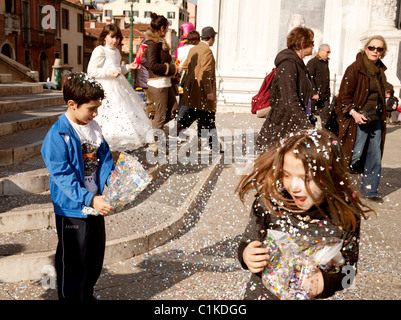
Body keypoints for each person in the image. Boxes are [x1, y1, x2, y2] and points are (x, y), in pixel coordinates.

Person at [236, 129, 374, 300]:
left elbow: (349, 273)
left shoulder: (346, 217)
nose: (294, 187)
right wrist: (246, 255)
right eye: (287, 175)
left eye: (306, 178)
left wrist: (326, 282)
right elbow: (247, 242)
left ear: (330, 175)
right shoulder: (270, 204)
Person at [41, 73, 115, 300]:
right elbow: (62, 176)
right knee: (72, 260)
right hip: (72, 209)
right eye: (91, 109)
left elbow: (106, 159)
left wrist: (112, 182)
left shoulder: (94, 128)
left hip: (95, 203)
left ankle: (86, 294)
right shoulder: (57, 135)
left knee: (94, 257)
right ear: (72, 105)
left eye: (98, 109)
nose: (95, 114)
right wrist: (89, 199)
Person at [335, 35, 388, 203]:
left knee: (375, 155)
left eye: (379, 49)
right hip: (359, 118)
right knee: (354, 154)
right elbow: (344, 96)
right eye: (372, 48)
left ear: (383, 52)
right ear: (366, 49)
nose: (375, 51)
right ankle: (335, 186)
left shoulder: (380, 70)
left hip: (376, 117)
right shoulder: (355, 68)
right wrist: (354, 113)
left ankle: (370, 190)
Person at [87, 23, 153, 152]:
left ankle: (117, 150)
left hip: (119, 86)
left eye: (117, 38)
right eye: (112, 37)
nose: (115, 41)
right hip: (104, 89)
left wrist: (129, 67)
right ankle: (103, 147)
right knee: (107, 116)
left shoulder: (116, 51)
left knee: (123, 115)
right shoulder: (100, 50)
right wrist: (108, 73)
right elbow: (91, 71)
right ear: (105, 37)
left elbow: (118, 69)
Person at [256, 27, 315, 152]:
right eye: (312, 42)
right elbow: (290, 99)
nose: (314, 46)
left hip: (294, 125)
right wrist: (306, 125)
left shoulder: (299, 64)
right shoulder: (288, 65)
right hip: (283, 126)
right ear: (302, 44)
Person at [178, 26, 221, 152]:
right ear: (212, 38)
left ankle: (213, 145)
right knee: (207, 117)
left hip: (193, 91)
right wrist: (209, 92)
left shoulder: (194, 49)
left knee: (204, 118)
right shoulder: (206, 51)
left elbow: (185, 66)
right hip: (202, 92)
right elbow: (206, 73)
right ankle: (212, 145)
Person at [145, 12, 182, 151]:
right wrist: (173, 68)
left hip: (166, 82)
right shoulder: (152, 44)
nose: (166, 31)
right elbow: (153, 66)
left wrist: (174, 72)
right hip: (157, 83)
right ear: (161, 28)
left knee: (173, 111)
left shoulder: (160, 42)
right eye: (166, 28)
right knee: (160, 115)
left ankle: (154, 130)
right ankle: (155, 142)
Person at [307, 44, 331, 127]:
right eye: (327, 52)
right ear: (320, 51)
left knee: (326, 117)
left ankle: (324, 135)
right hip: (315, 96)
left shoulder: (325, 62)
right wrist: (313, 93)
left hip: (324, 95)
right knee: (311, 118)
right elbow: (309, 78)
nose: (328, 54)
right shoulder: (312, 62)